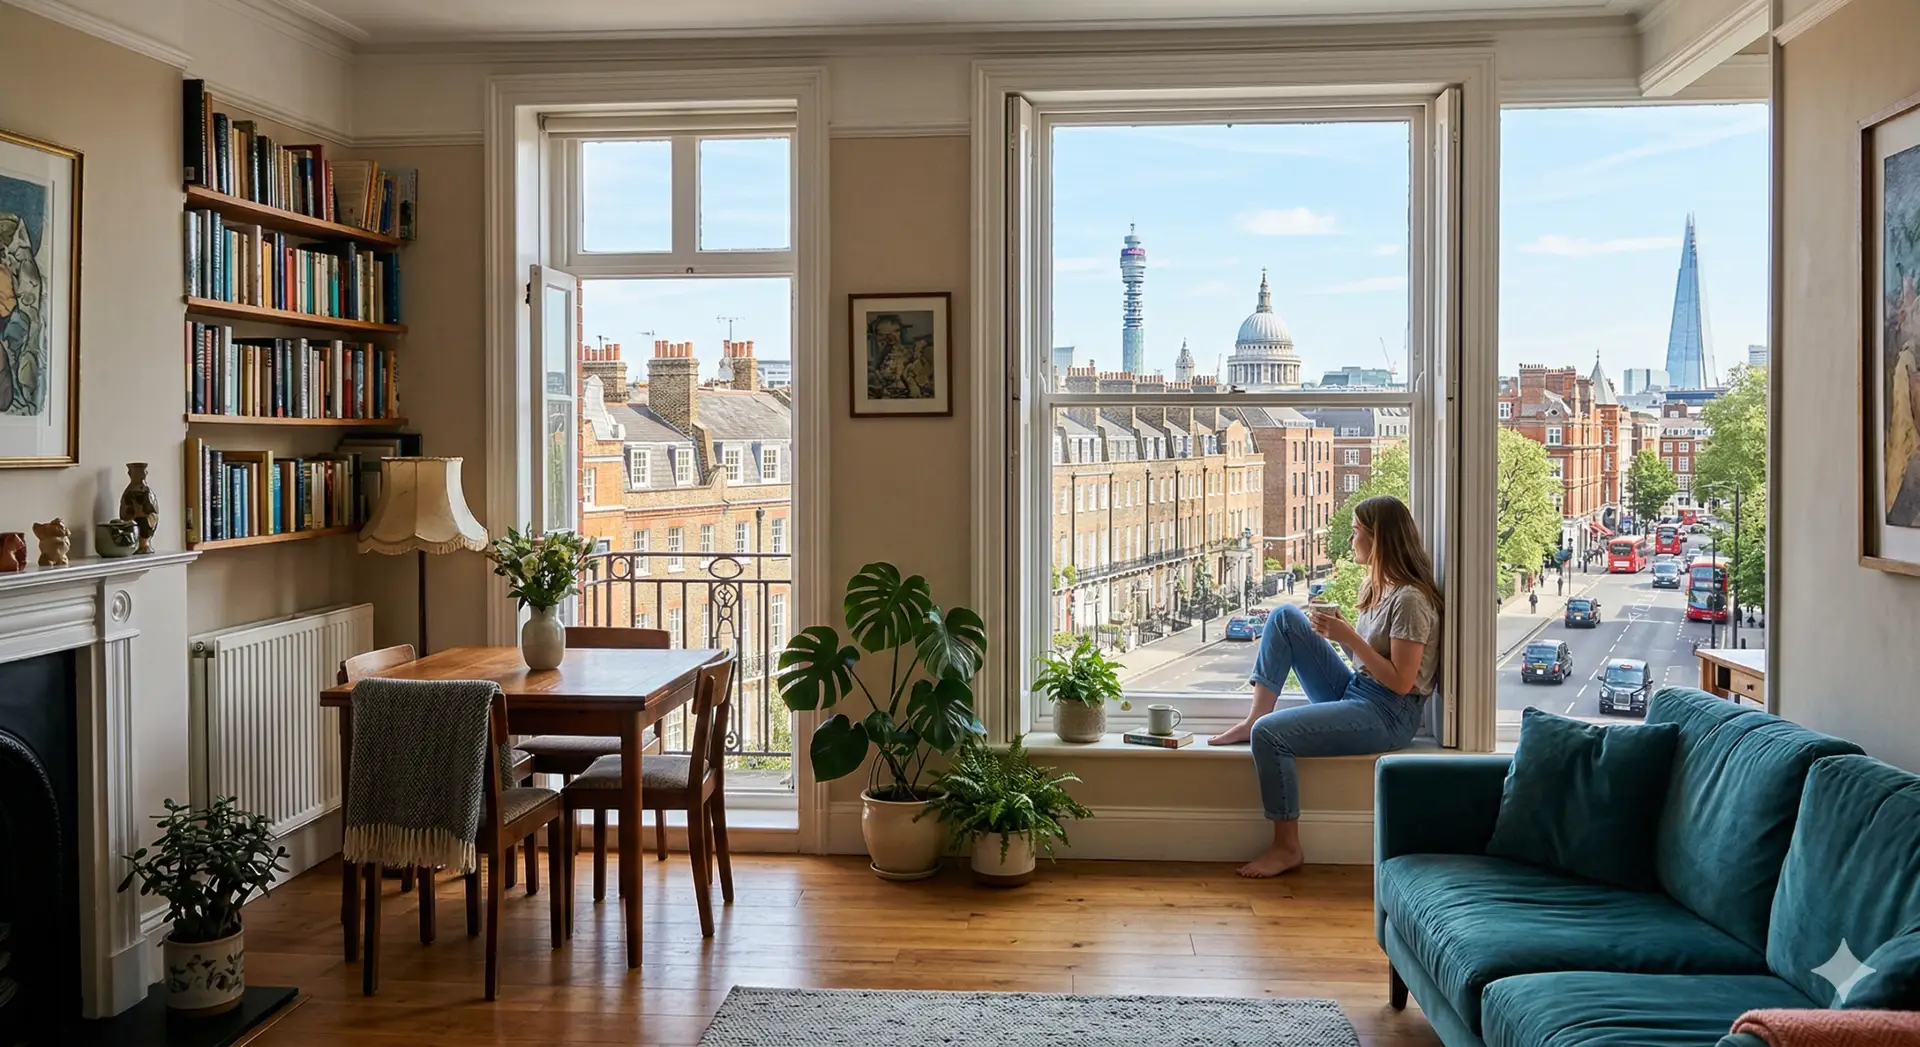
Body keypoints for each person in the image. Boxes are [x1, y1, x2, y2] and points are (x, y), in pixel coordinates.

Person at [1208, 494, 1442, 878]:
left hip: (1389, 713)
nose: (1351, 541)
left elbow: (1402, 682)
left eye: (1356, 533)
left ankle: (1287, 846)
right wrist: (1338, 631)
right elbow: (1371, 660)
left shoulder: (1411, 600)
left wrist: (1348, 637)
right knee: (1285, 617)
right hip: (1361, 692)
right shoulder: (1381, 587)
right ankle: (1254, 718)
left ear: (1378, 539)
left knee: (1271, 737)